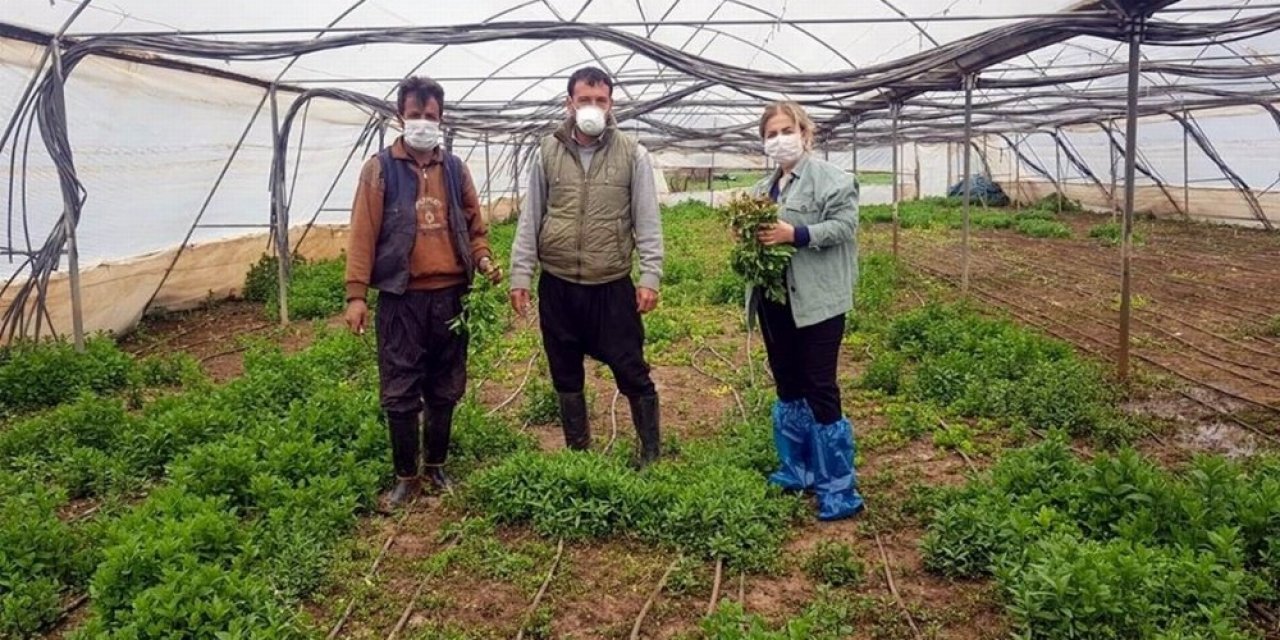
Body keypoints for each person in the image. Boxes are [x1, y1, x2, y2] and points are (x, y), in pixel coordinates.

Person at [344, 76, 503, 510]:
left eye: (430, 116)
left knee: (445, 384)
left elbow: (474, 227)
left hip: (451, 296)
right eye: (414, 114)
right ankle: (406, 478)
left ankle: (435, 467)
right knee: (400, 386)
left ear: (441, 119)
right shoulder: (379, 170)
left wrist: (484, 260)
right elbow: (362, 234)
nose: (422, 123)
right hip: (401, 297)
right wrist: (356, 295)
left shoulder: (455, 169)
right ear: (400, 116)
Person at [508, 66, 665, 468]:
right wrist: (520, 274)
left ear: (611, 104)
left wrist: (650, 275)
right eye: (584, 100)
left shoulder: (632, 153)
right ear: (570, 104)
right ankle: (579, 454)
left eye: (600, 100)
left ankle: (650, 453)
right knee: (564, 369)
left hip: (610, 283)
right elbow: (531, 217)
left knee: (630, 367)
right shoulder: (547, 151)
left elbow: (647, 220)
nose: (592, 107)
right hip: (558, 284)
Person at [750, 101, 864, 521]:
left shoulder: (833, 179)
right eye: (771, 134)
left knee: (819, 383)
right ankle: (796, 468)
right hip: (775, 299)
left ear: (805, 133)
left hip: (817, 300)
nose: (779, 140)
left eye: (786, 131)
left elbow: (845, 226)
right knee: (787, 380)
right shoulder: (763, 189)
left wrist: (795, 233)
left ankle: (836, 485)